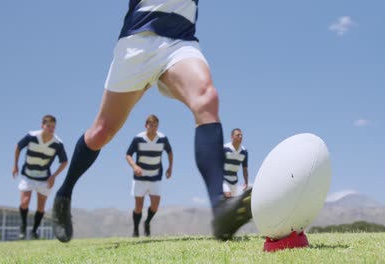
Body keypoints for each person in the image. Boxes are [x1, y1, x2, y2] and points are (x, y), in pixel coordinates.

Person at [52, 0, 252, 243]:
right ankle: (64, 194)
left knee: (206, 99)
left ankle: (219, 209)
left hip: (180, 42)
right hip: (137, 42)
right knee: (101, 133)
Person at [12, 115, 68, 239]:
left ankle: (34, 231)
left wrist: (54, 176)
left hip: (44, 178)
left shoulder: (58, 143)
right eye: (48, 126)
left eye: (53, 127)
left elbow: (64, 161)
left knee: (41, 206)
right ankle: (23, 226)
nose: (51, 129)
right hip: (28, 175)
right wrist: (15, 165)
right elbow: (18, 147)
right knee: (24, 202)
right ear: (42, 125)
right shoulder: (32, 136)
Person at [126, 114, 173, 237]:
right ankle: (136, 229)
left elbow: (169, 151)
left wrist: (170, 167)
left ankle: (147, 222)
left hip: (155, 177)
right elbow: (128, 154)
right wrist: (134, 166)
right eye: (151, 125)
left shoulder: (163, 138)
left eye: (156, 126)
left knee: (155, 205)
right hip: (140, 178)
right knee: (138, 207)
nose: (153, 128)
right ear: (146, 126)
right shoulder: (138, 139)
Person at [223, 128, 249, 197]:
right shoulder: (225, 149)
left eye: (241, 135)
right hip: (223, 179)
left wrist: (246, 182)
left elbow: (245, 169)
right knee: (228, 196)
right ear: (232, 137)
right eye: (238, 135)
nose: (240, 137)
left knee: (231, 203)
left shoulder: (244, 151)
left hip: (234, 181)